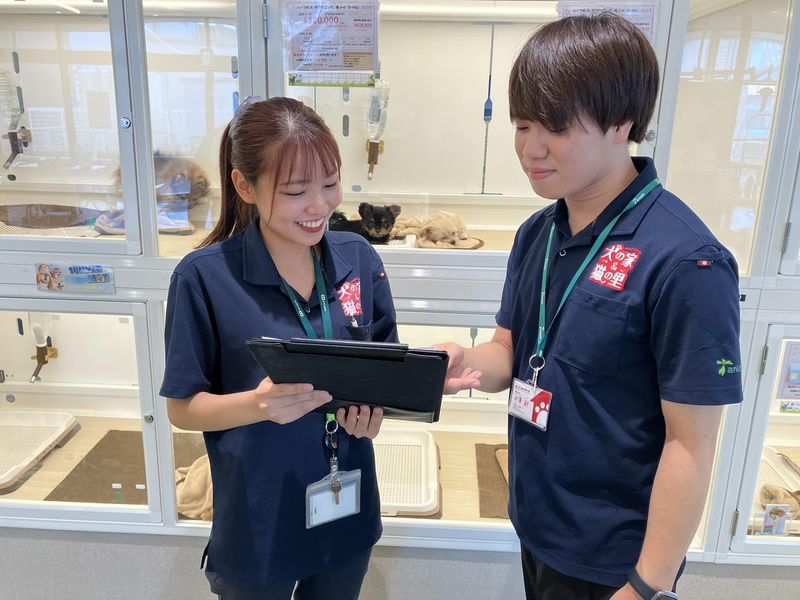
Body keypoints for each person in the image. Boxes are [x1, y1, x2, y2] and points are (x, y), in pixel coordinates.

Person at [440, 13, 743, 600]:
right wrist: (464, 363)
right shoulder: (538, 231)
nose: (530, 149)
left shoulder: (687, 261)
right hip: (538, 524)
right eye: (522, 125)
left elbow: (692, 443)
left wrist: (647, 585)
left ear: (621, 122)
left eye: (555, 127)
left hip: (615, 561)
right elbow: (510, 349)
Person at [160, 96, 397, 599]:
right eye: (295, 191)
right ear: (245, 186)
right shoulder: (203, 278)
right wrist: (258, 404)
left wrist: (375, 413)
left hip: (346, 508)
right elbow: (182, 408)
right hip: (258, 519)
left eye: (330, 183)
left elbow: (385, 373)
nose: (320, 206)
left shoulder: (358, 257)